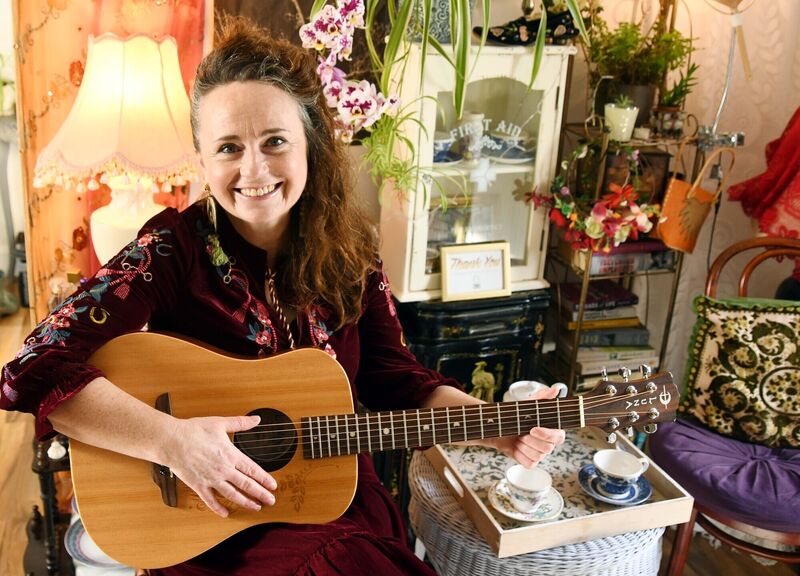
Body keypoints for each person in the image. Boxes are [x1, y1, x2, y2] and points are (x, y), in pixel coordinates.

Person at [1, 17, 565, 575]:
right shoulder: (170, 251)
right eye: (228, 148)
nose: (254, 170)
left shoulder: (352, 255)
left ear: (310, 147)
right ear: (202, 159)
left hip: (331, 497)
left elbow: (398, 379)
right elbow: (30, 368)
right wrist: (175, 444)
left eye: (275, 141)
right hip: (210, 520)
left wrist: (493, 422)